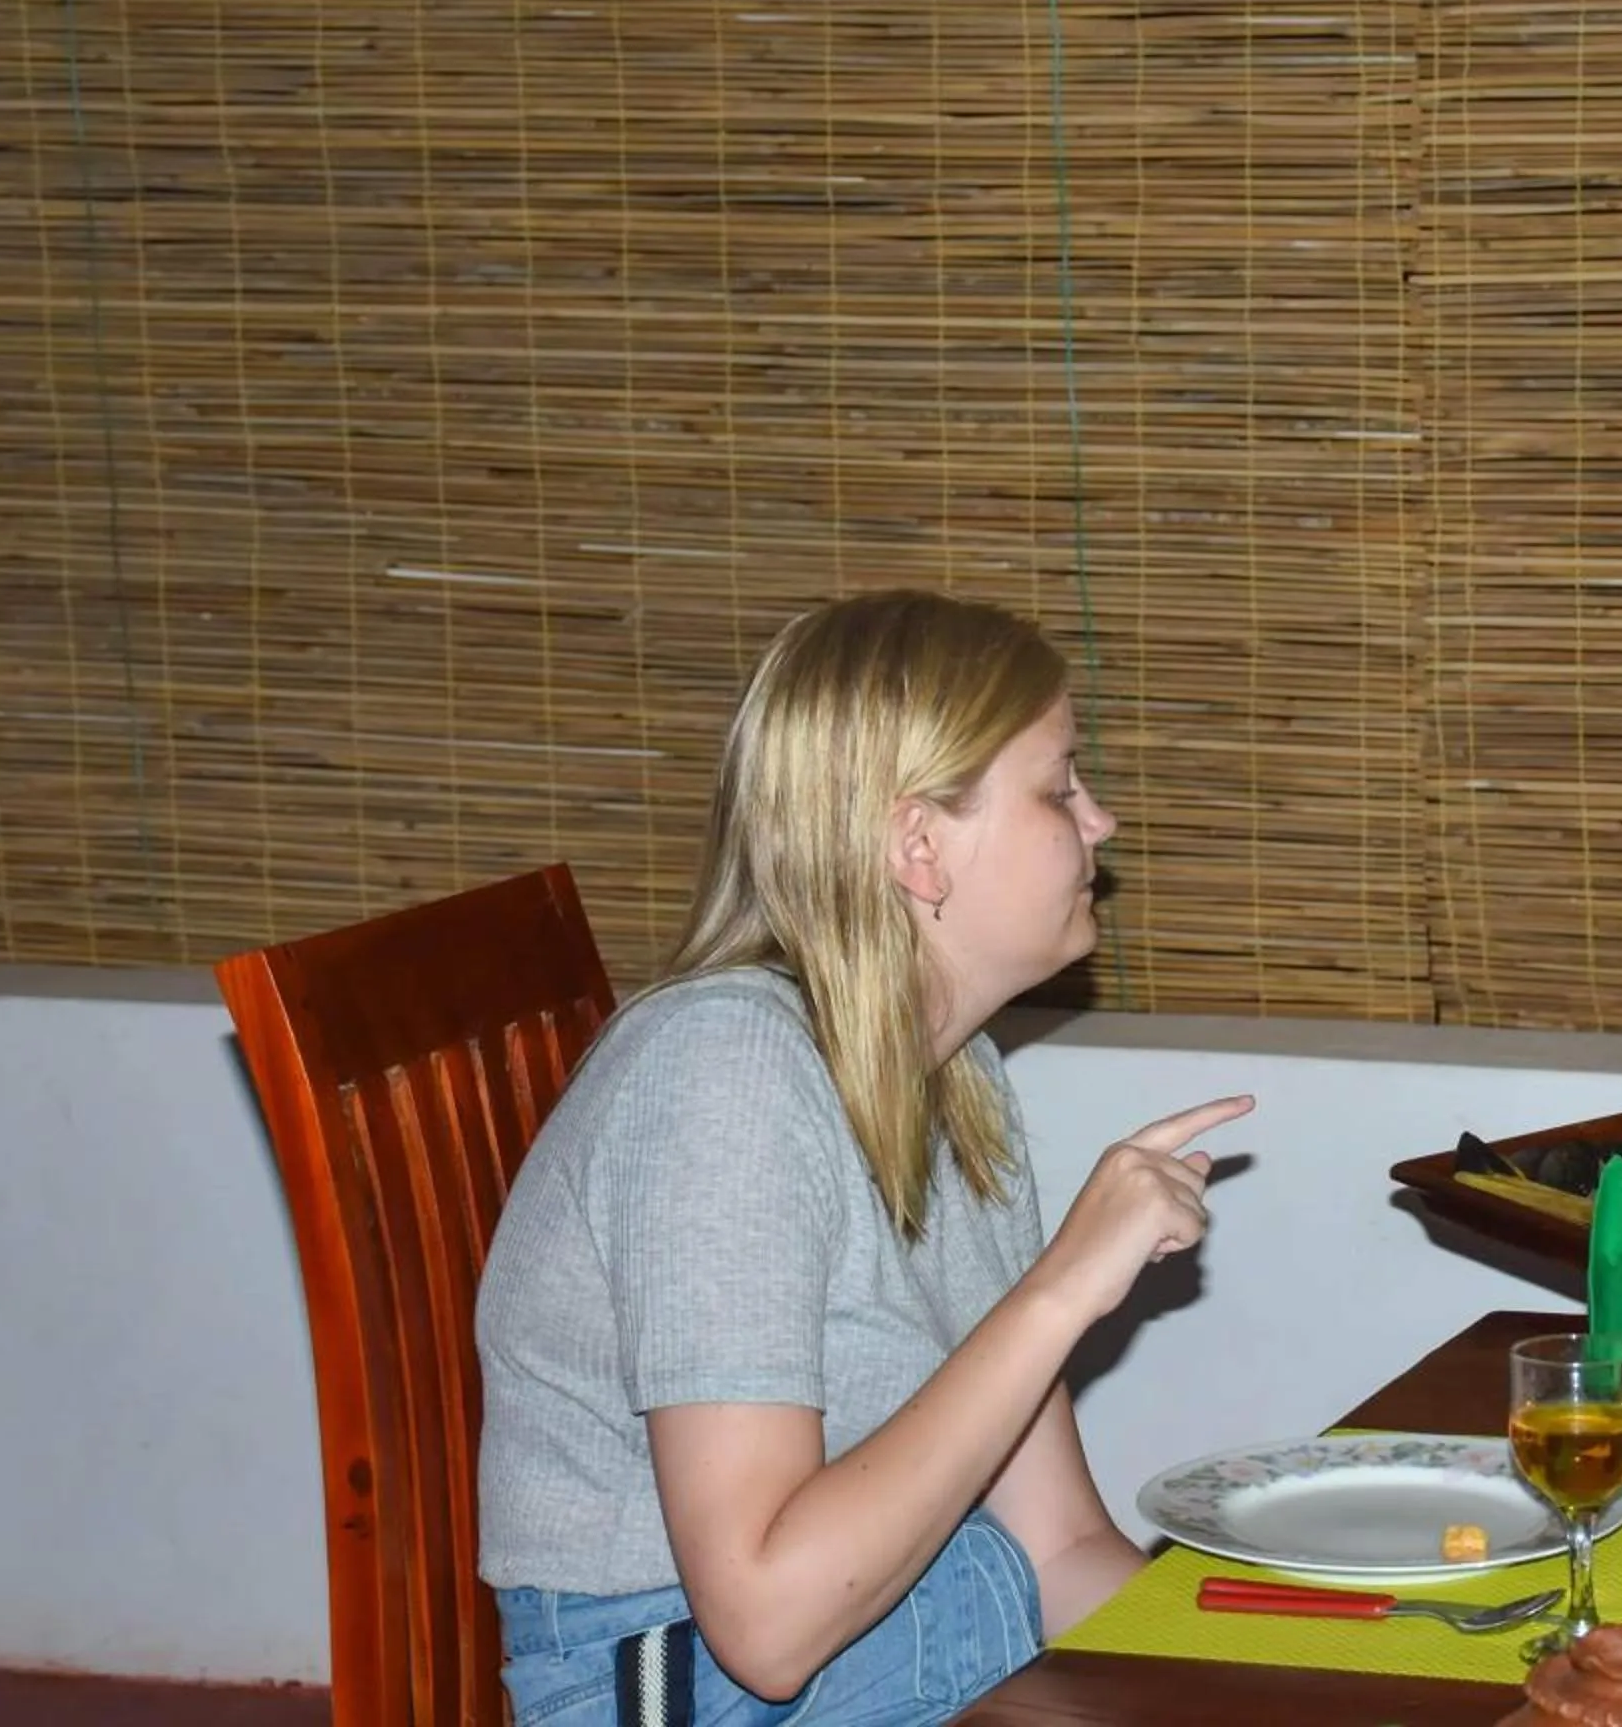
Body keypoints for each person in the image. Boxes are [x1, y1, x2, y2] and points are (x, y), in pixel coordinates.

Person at [475, 590, 1249, 1725]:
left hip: (926, 1628)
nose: (1103, 821)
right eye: (1059, 786)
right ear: (918, 845)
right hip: (686, 1686)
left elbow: (1062, 1541)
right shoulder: (721, 1077)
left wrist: (1267, 1687)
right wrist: (1063, 1289)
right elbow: (768, 1624)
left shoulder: (956, 1074)